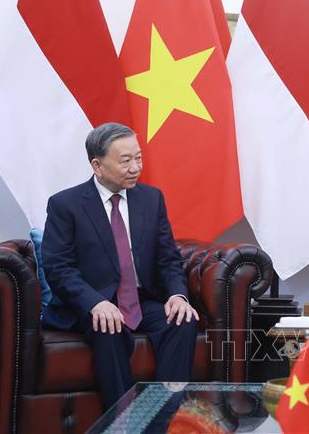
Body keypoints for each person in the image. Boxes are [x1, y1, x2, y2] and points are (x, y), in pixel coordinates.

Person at [41, 122, 199, 408]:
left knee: (183, 319)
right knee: (107, 324)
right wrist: (95, 302)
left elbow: (168, 259)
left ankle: (163, 415)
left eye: (138, 157)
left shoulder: (151, 199)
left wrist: (178, 295)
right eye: (125, 160)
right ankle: (123, 420)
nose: (135, 167)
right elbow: (58, 267)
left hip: (141, 300)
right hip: (91, 302)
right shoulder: (66, 204)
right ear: (97, 165)